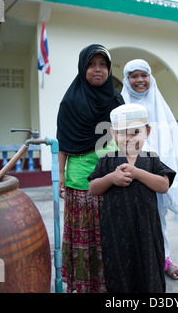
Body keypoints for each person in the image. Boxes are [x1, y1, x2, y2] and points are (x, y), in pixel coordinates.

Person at [121, 59, 178, 280]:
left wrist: (160, 168)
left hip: (155, 170)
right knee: (128, 217)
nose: (139, 80)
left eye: (143, 75)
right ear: (127, 80)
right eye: (133, 76)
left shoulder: (159, 104)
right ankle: (135, 262)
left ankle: (163, 258)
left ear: (151, 78)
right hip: (128, 168)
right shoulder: (120, 104)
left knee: (157, 217)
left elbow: (170, 140)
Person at [56, 44, 124, 293]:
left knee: (110, 236)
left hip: (114, 176)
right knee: (85, 237)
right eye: (92, 64)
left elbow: (128, 137)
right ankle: (86, 286)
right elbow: (63, 142)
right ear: (83, 68)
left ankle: (111, 284)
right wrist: (61, 176)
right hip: (80, 181)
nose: (98, 69)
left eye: (103, 65)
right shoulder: (70, 101)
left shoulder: (116, 99)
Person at [88, 103, 176, 293]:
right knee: (119, 273)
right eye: (122, 133)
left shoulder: (151, 159)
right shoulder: (107, 160)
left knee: (149, 270)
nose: (128, 138)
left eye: (135, 132)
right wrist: (112, 178)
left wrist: (136, 173)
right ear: (113, 133)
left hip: (147, 230)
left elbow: (163, 185)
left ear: (148, 131)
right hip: (115, 234)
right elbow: (93, 188)